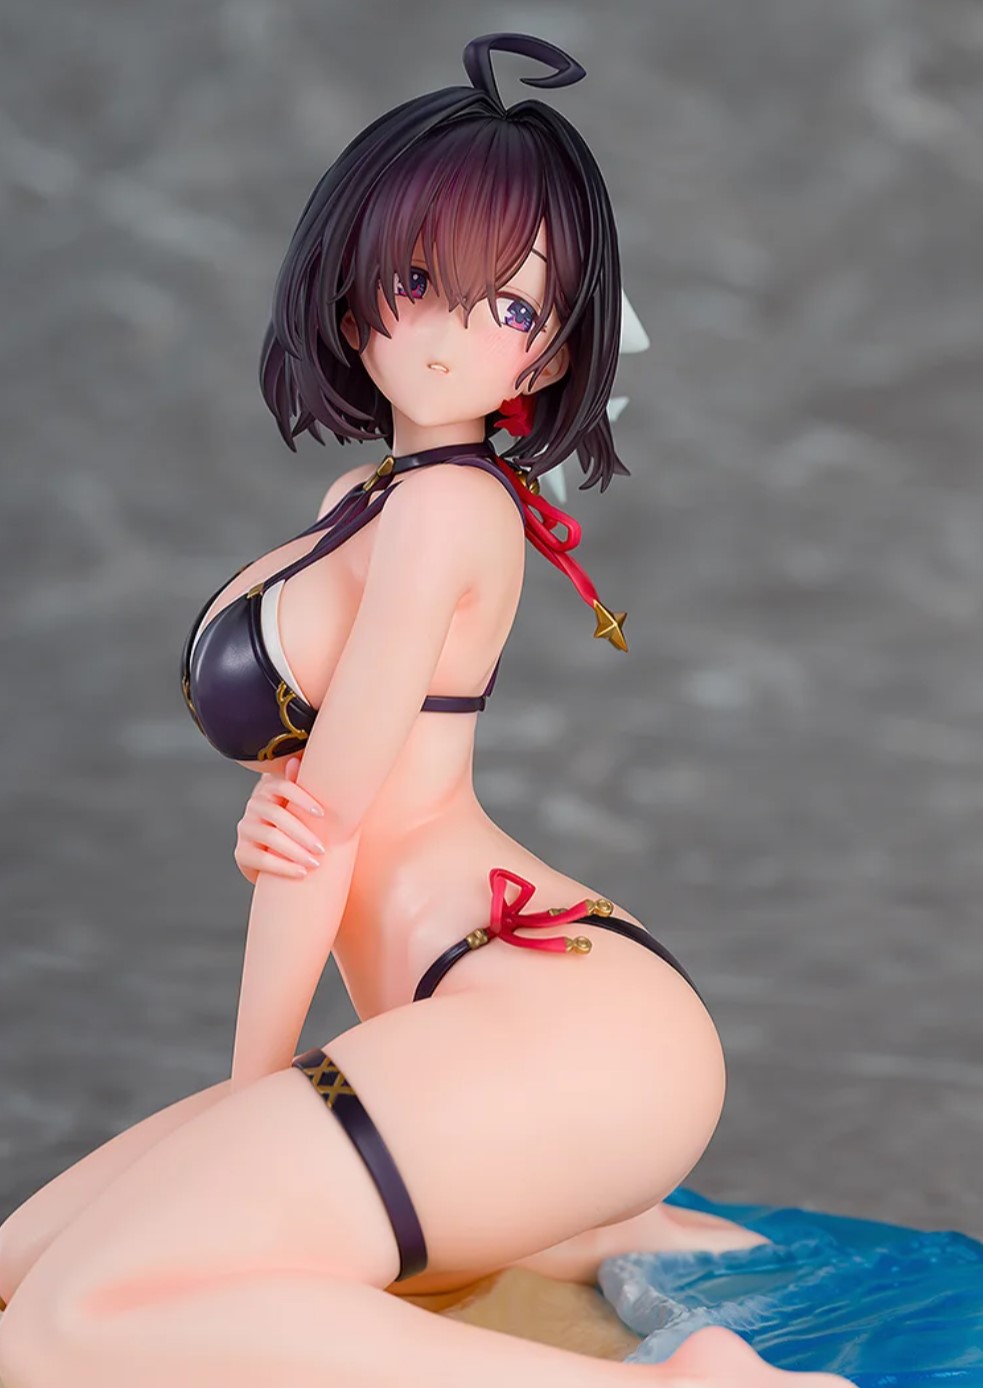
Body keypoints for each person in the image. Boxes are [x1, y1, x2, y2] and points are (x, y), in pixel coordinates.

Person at [0, 34, 851, 1386]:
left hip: (562, 1025)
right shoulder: (367, 502)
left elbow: (328, 825)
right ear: (353, 293)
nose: (456, 336)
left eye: (509, 307)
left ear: (550, 349)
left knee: (75, 1325)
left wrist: (249, 1093)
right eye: (419, 284)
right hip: (476, 1018)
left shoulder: (447, 511)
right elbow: (311, 809)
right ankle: (571, 1231)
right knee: (17, 1278)